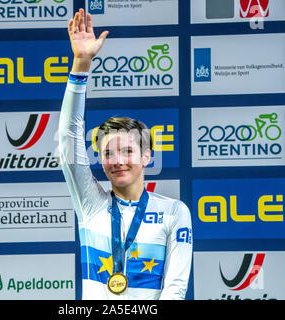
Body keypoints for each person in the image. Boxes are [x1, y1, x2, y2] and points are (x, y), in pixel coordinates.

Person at [59, 8, 192, 300]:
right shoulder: (90, 204)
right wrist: (81, 63)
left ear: (147, 157)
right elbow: (68, 140)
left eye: (127, 151)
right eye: (108, 153)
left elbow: (175, 290)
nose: (117, 160)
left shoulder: (174, 212)